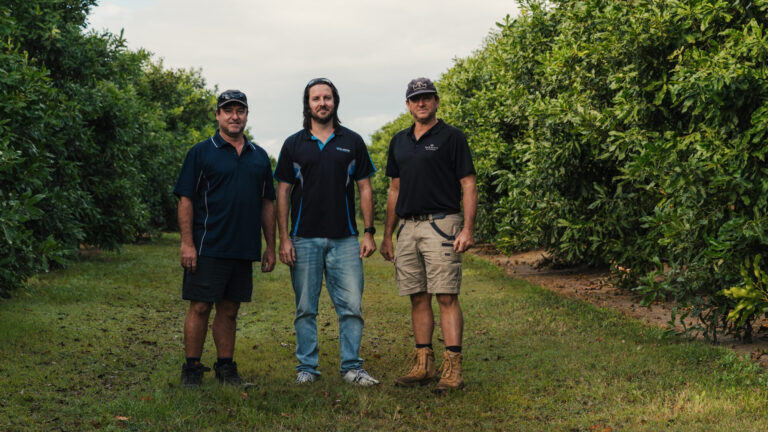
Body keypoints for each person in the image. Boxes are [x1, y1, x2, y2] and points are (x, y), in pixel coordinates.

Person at [274, 78, 379, 386]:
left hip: (345, 239)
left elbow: (365, 187)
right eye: (316, 98)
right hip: (303, 238)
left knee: (351, 308)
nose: (322, 103)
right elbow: (282, 192)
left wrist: (369, 232)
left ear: (335, 101)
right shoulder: (293, 143)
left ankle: (352, 368)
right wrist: (284, 239)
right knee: (305, 308)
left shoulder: (353, 141)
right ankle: (307, 368)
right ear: (307, 104)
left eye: (327, 97)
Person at [380, 77, 477, 392]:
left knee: (446, 295)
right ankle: (424, 364)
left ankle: (453, 368)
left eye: (427, 97)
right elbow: (394, 189)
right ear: (407, 105)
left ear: (436, 102)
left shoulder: (452, 137)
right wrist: (387, 235)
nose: (421, 103)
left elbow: (468, 184)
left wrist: (467, 228)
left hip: (442, 224)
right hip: (408, 228)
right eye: (415, 99)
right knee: (417, 296)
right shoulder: (399, 141)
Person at [174, 89, 276, 387]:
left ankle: (226, 367)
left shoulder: (259, 157)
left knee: (230, 310)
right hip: (208, 244)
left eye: (240, 110)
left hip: (242, 246)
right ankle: (192, 368)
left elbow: (267, 203)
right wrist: (187, 242)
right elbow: (185, 199)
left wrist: (270, 245)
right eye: (228, 110)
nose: (235, 116)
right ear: (218, 115)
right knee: (201, 306)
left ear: (246, 114)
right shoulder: (201, 152)